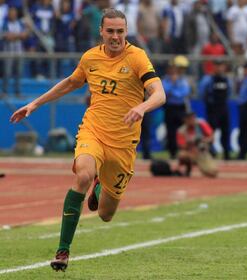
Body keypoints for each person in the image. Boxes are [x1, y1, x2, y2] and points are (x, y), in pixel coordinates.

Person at [10, 9, 166, 272]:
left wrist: (142, 107)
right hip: (93, 130)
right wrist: (35, 103)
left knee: (105, 214)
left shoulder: (137, 57)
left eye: (120, 31)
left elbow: (159, 93)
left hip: (123, 144)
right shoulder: (91, 57)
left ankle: (99, 187)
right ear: (101, 32)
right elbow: (71, 82)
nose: (115, 36)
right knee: (82, 175)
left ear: (126, 32)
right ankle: (63, 251)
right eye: (110, 31)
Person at [199, 59, 232, 160]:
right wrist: (209, 103)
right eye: (217, 66)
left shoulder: (227, 79)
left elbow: (229, 92)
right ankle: (210, 153)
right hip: (212, 109)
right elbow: (201, 93)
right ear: (214, 67)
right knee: (210, 132)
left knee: (225, 132)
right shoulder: (208, 79)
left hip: (223, 108)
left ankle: (226, 154)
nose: (219, 68)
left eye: (221, 66)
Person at [176, 112, 218, 177]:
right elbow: (182, 146)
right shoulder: (181, 130)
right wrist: (191, 143)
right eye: (189, 119)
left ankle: (205, 167)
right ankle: (188, 168)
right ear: (185, 120)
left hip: (202, 153)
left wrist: (203, 140)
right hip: (190, 153)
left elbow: (211, 138)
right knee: (182, 155)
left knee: (213, 173)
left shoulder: (201, 125)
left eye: (193, 118)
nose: (192, 121)